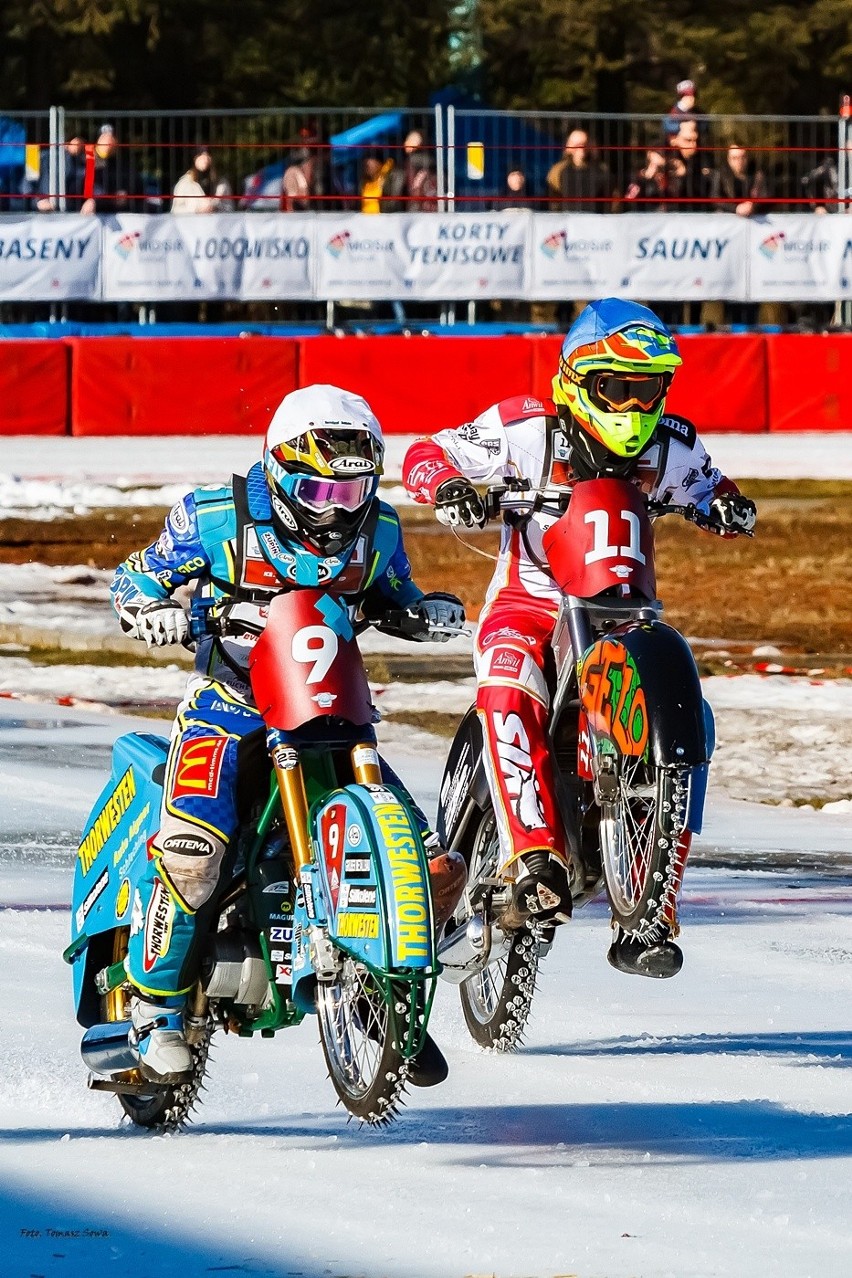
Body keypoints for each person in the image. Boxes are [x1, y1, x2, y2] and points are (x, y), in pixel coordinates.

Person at [110, 385, 466, 1084]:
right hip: (230, 702)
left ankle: (384, 995)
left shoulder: (381, 531)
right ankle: (156, 1006)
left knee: (427, 854)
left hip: (332, 707)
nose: (335, 508)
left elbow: (395, 596)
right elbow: (135, 577)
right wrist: (151, 609)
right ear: (277, 470)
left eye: (350, 490)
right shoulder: (214, 518)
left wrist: (424, 613)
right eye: (318, 489)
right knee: (195, 849)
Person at [402, 299, 756, 975]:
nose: (631, 404)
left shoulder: (671, 443)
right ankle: (533, 855)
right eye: (616, 386)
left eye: (646, 388)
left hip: (623, 616)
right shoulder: (524, 430)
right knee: (511, 689)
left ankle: (653, 909)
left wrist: (726, 504)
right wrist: (451, 487)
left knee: (693, 717)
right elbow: (429, 451)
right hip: (530, 605)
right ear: (575, 378)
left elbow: (707, 484)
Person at [34, 135, 95, 214]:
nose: (78, 144)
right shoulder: (39, 155)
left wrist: (91, 200)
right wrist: (38, 201)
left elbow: (90, 188)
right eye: (76, 139)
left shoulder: (87, 161)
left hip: (72, 214)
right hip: (39, 212)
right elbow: (27, 183)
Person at [665, 118, 715, 211]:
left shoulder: (705, 159)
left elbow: (709, 191)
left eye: (696, 140)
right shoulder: (666, 159)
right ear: (674, 140)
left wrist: (686, 174)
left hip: (701, 213)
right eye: (688, 140)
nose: (694, 146)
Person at [555, 130, 612, 212]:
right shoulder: (558, 170)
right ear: (568, 146)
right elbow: (553, 199)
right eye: (577, 144)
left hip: (596, 220)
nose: (581, 147)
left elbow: (612, 198)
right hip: (567, 220)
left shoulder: (602, 170)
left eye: (584, 143)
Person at [382, 131, 438, 212]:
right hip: (412, 207)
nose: (406, 143)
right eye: (407, 140)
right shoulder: (405, 163)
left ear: (420, 143)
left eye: (412, 140)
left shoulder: (416, 162)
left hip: (416, 208)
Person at [712, 141, 767, 217]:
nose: (739, 161)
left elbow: (764, 196)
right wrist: (736, 208)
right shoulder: (720, 173)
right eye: (734, 158)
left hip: (753, 220)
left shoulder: (757, 173)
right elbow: (715, 197)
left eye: (743, 157)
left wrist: (752, 206)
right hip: (726, 219)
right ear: (728, 159)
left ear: (747, 157)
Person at [171, 146, 231, 213]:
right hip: (193, 222)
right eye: (201, 155)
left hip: (216, 222)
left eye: (208, 155)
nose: (205, 158)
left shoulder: (222, 183)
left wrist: (215, 208)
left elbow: (230, 209)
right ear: (195, 158)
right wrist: (197, 210)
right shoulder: (184, 183)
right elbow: (175, 211)